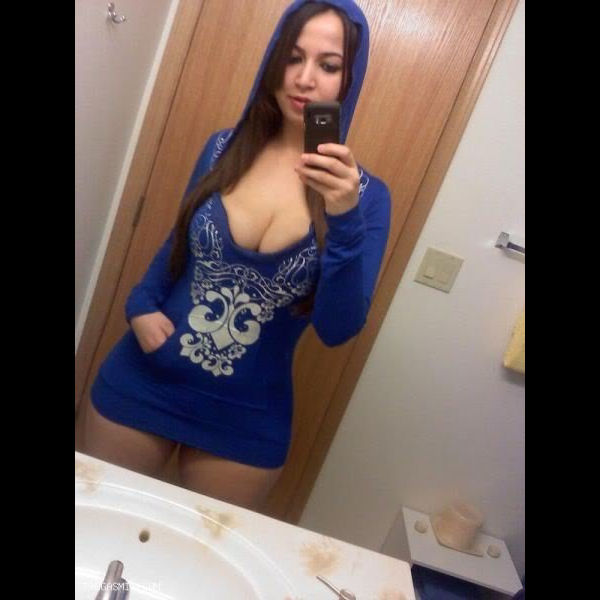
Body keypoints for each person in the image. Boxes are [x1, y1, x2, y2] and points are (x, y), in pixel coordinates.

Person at [78, 0, 391, 511]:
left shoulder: (367, 197)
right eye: (293, 57)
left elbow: (338, 329)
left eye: (329, 65)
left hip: (247, 419)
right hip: (143, 380)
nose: (305, 78)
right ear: (273, 59)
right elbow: (178, 244)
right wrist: (140, 304)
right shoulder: (223, 148)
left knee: (200, 556)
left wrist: (345, 220)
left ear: (348, 80)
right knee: (93, 527)